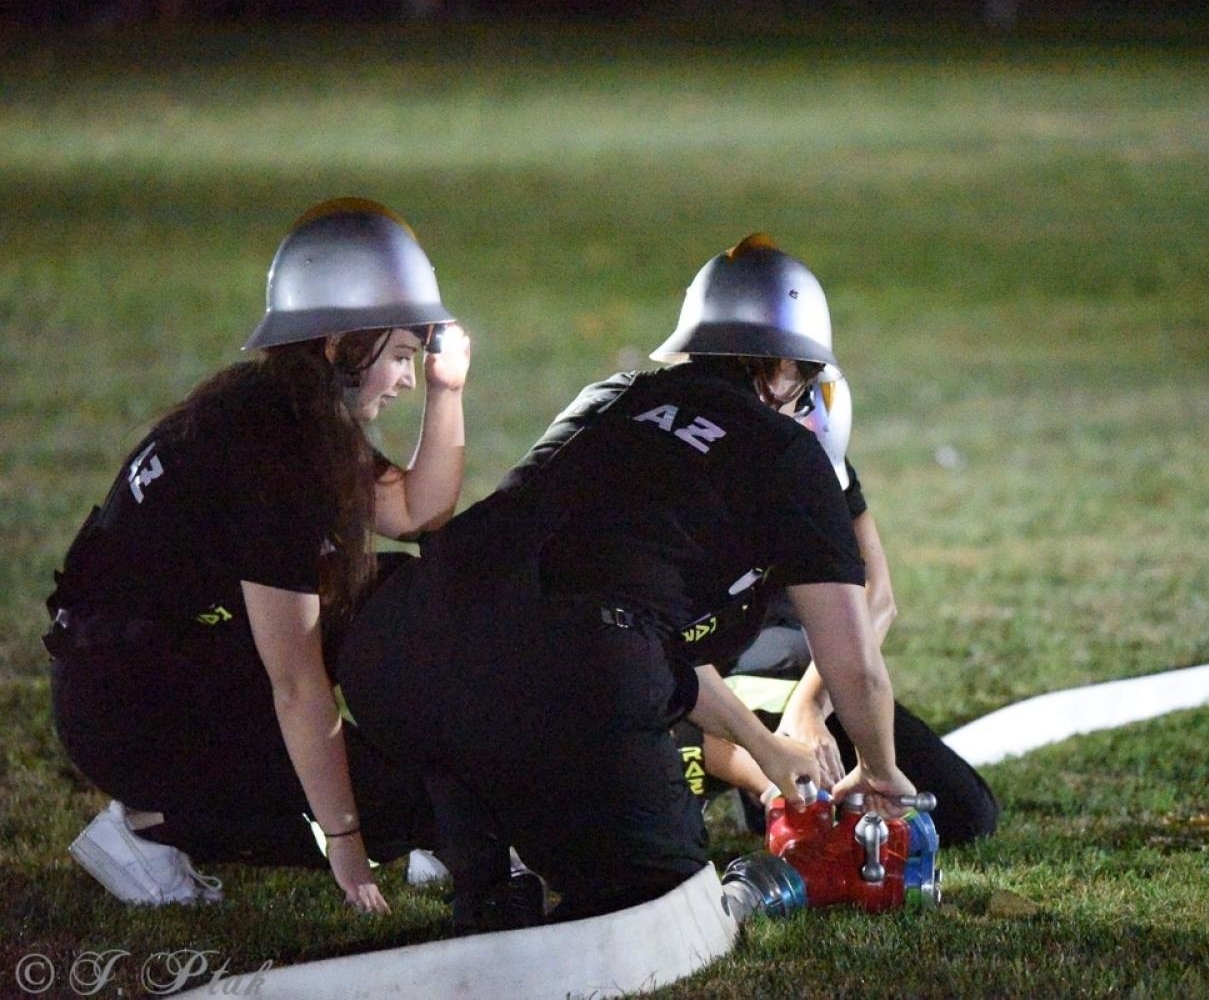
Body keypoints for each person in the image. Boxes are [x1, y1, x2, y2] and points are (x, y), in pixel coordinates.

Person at [338, 233, 916, 932]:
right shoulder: (787, 452)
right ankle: (513, 846)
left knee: (538, 676)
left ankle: (478, 861)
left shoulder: (612, 399)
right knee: (670, 914)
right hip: (558, 674)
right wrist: (879, 772)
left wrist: (764, 747)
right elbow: (855, 665)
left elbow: (578, 596)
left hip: (396, 652)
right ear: (787, 366)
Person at [46, 198, 470, 912]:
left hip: (174, 659)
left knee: (401, 591)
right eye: (401, 355)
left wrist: (446, 388)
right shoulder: (270, 453)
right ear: (340, 346)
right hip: (131, 713)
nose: (405, 375)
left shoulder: (287, 407)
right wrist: (345, 836)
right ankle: (151, 827)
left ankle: (424, 789)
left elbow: (412, 512)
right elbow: (298, 685)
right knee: (401, 812)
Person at [680, 377, 1001, 846]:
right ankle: (765, 787)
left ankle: (780, 773)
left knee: (963, 813)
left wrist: (812, 704)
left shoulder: (814, 444)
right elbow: (659, 659)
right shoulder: (686, 477)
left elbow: (878, 597)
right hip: (698, 684)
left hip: (799, 665)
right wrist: (770, 768)